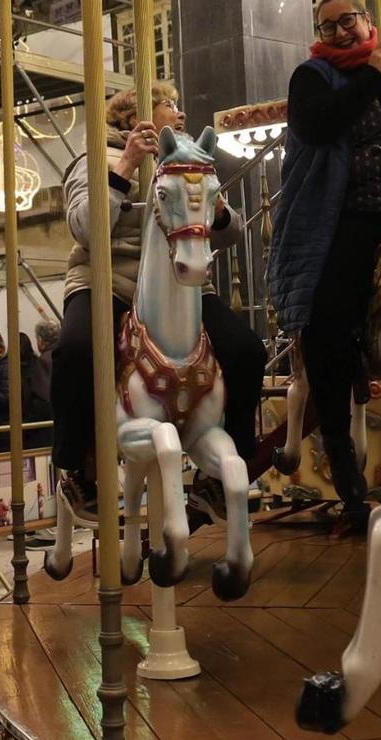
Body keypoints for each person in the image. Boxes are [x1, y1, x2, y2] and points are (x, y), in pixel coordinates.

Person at [270, 0, 381, 534]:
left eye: (350, 21)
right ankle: (351, 487)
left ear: (369, 20)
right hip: (343, 217)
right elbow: (318, 126)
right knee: (328, 329)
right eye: (330, 27)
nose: (343, 32)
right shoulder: (312, 78)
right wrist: (371, 78)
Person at [53, 82, 264, 491]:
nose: (181, 113)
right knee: (75, 349)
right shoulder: (96, 159)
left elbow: (231, 232)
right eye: (169, 104)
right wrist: (127, 165)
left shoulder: (189, 160)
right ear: (136, 117)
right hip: (109, 277)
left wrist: (217, 208)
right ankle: (76, 465)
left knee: (246, 350)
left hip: (177, 287)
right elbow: (83, 228)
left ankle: (225, 465)